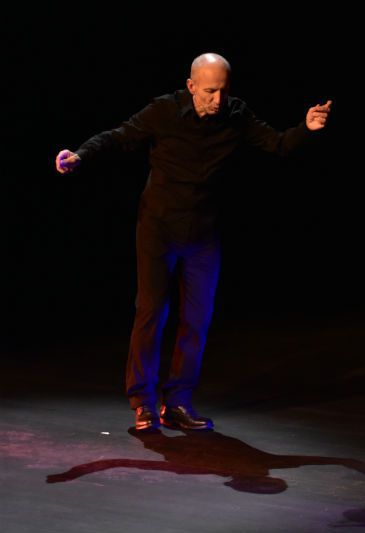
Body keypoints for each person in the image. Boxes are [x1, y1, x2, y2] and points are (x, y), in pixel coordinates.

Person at [55, 52, 332, 433]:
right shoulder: (164, 111)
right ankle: (143, 402)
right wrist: (80, 156)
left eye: (223, 91)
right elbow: (118, 137)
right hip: (158, 229)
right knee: (151, 313)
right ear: (191, 86)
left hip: (204, 233)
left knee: (196, 319)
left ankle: (178, 402)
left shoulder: (236, 114)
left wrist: (306, 128)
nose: (217, 100)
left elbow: (277, 144)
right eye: (209, 91)